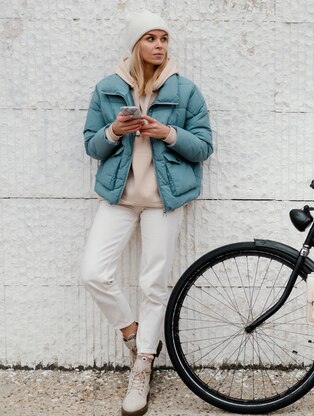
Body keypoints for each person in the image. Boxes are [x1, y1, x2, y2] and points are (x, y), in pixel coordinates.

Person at [81, 10, 212, 416]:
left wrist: (167, 133)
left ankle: (143, 364)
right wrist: (114, 131)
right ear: (135, 43)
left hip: (165, 199)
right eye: (150, 38)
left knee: (152, 284)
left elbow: (203, 147)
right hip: (119, 196)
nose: (159, 45)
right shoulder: (107, 89)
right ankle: (133, 334)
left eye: (164, 38)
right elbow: (91, 144)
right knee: (93, 272)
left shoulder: (185, 91)